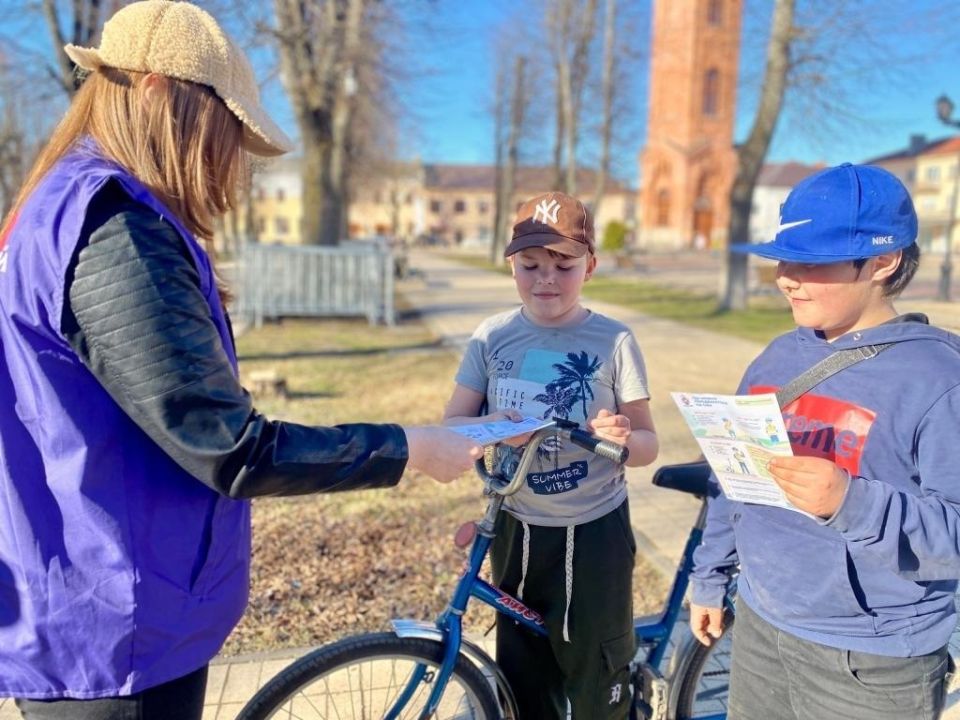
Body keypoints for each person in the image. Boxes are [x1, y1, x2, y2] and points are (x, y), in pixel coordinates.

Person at [0, 2, 482, 718]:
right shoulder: (115, 230)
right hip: (115, 632)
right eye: (226, 131)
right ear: (159, 91)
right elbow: (230, 447)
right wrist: (412, 448)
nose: (229, 161)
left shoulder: (58, 204)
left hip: (99, 605)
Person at [690, 163, 960, 720]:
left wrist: (849, 503)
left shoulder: (937, 379)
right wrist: (710, 576)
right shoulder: (775, 358)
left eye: (812, 262)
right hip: (760, 628)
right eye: (784, 258)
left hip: (871, 662)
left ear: (883, 262)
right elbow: (731, 480)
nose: (786, 277)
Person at [443, 191, 659, 719]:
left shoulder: (614, 339)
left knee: (596, 678)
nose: (546, 279)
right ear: (511, 264)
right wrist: (495, 430)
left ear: (591, 265)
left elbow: (648, 443)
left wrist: (624, 437)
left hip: (595, 533)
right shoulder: (492, 335)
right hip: (516, 529)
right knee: (522, 677)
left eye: (564, 265)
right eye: (530, 264)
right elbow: (451, 425)